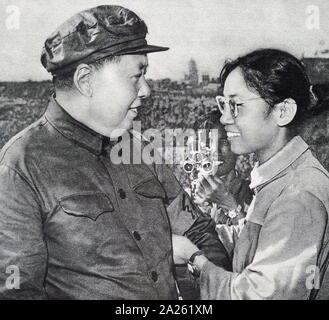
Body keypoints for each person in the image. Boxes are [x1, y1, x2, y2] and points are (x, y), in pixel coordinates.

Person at [0, 5, 229, 299]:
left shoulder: (139, 151)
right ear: (86, 81)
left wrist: (209, 283)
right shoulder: (20, 168)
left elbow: (197, 230)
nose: (146, 90)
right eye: (136, 76)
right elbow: (18, 293)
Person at [172, 48, 329, 300]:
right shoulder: (278, 178)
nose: (224, 118)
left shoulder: (299, 194)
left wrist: (195, 259)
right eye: (223, 104)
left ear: (282, 111)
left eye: (236, 105)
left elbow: (259, 295)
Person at [186, 110, 253, 226]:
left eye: (224, 142)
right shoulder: (185, 199)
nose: (215, 151)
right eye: (207, 143)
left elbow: (252, 242)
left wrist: (229, 204)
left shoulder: (253, 196)